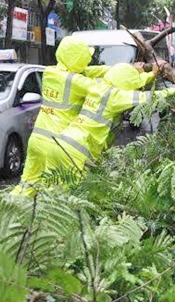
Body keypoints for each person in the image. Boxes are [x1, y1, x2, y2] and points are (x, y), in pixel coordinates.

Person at [44, 63, 175, 176]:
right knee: (72, 204)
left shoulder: (96, 87)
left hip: (60, 142)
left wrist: (150, 73)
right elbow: (146, 97)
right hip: (77, 151)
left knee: (51, 196)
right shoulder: (114, 97)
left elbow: (126, 82)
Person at [17, 36, 107, 189]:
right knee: (56, 191)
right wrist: (132, 76)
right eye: (85, 57)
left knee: (27, 183)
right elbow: (104, 90)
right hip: (57, 143)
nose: (88, 62)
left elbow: (89, 71)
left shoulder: (50, 72)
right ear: (77, 58)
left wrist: (124, 68)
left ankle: (12, 209)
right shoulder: (74, 81)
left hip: (37, 139)